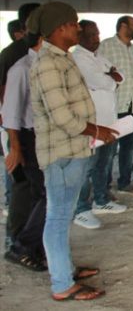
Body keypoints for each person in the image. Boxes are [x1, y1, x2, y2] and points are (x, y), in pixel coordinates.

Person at [29, 1, 119, 300]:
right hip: (62, 153)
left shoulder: (62, 58)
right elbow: (62, 117)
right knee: (57, 217)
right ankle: (62, 284)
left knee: (63, 215)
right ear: (60, 28)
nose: (78, 28)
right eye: (74, 23)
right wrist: (96, 130)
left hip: (73, 149)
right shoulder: (47, 64)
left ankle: (64, 268)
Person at [72, 20, 127, 230]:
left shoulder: (99, 58)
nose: (96, 39)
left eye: (97, 34)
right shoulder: (78, 58)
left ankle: (101, 200)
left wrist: (111, 76)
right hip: (91, 122)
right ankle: (81, 210)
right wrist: (111, 76)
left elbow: (120, 74)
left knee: (105, 162)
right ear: (79, 36)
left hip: (108, 120)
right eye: (91, 35)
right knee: (87, 167)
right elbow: (101, 82)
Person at [2, 31, 47, 271]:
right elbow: (10, 113)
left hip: (43, 137)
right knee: (45, 195)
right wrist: (15, 148)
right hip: (27, 138)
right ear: (42, 38)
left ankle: (35, 247)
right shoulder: (21, 68)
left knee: (42, 194)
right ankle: (21, 247)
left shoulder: (45, 65)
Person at [99, 16, 133, 196]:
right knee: (109, 150)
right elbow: (100, 74)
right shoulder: (106, 46)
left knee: (129, 147)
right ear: (123, 26)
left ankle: (125, 182)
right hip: (114, 107)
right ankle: (105, 187)